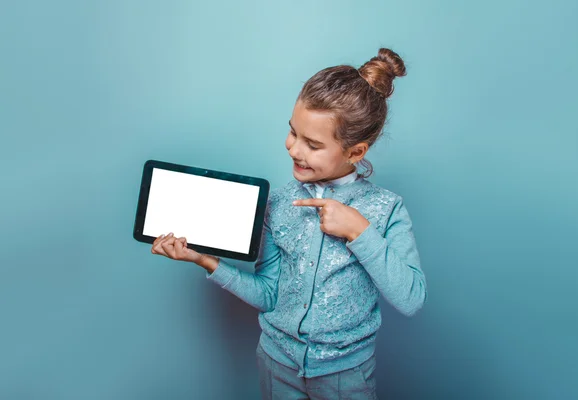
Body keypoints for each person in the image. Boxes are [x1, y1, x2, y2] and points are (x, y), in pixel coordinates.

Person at [151, 47, 428, 400]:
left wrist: (360, 231)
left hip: (346, 375)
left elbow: (411, 298)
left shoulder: (385, 210)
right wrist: (204, 260)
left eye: (312, 144)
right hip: (276, 366)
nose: (294, 149)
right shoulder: (279, 204)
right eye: (293, 132)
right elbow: (269, 296)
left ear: (356, 152)